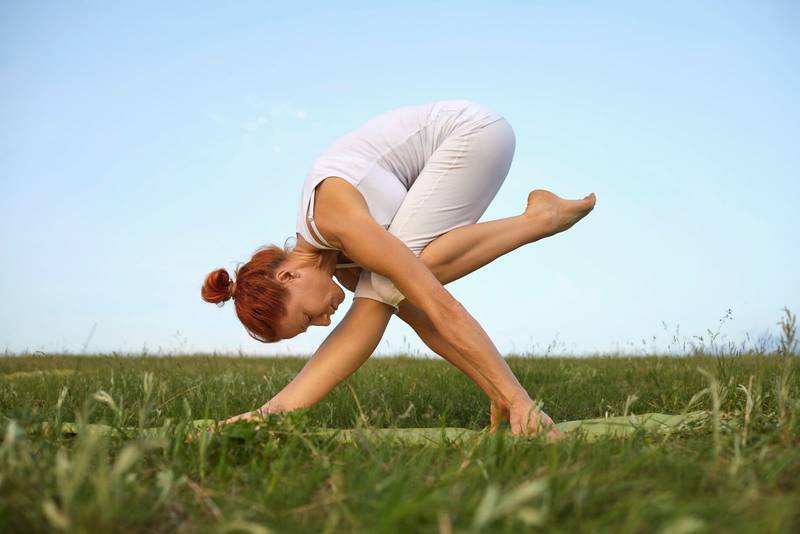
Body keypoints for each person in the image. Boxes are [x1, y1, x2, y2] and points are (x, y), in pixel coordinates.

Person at [202, 99, 596, 438]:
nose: (323, 321)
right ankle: (540, 216)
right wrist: (495, 388)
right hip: (475, 141)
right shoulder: (343, 261)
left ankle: (539, 219)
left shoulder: (337, 222)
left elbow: (441, 306)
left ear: (288, 276)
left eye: (307, 316)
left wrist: (518, 399)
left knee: (396, 283)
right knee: (396, 285)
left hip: (472, 134)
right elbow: (425, 321)